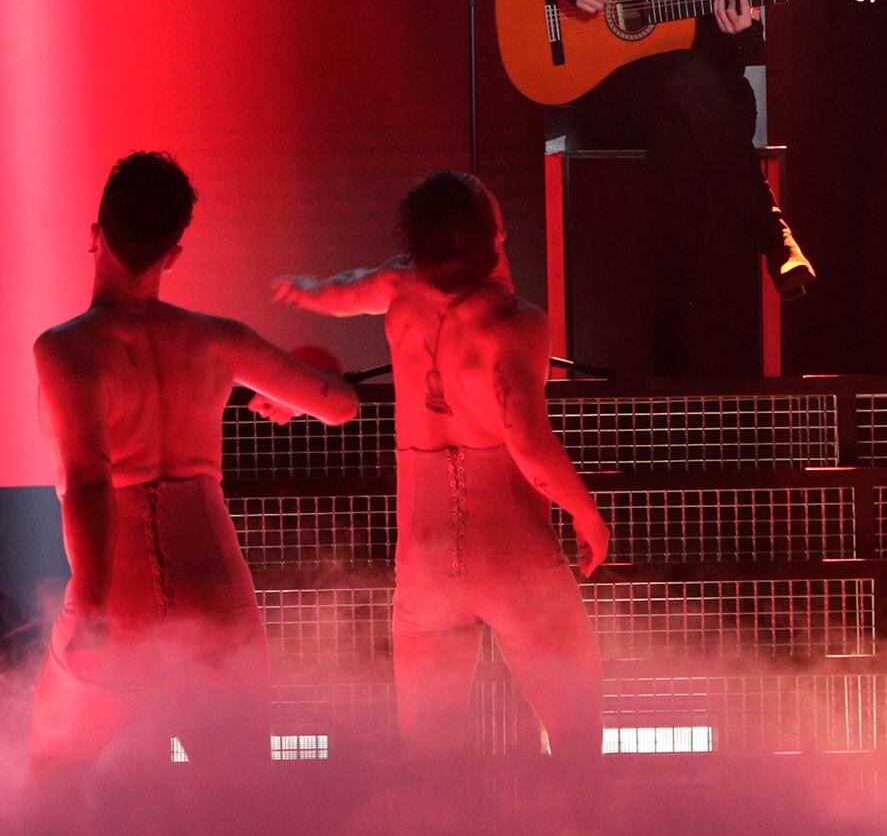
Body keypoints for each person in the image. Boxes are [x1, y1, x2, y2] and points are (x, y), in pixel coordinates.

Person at [28, 152, 359, 782]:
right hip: (217, 595)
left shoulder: (66, 350)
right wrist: (300, 392)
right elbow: (339, 406)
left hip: (116, 601)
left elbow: (90, 481)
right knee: (238, 796)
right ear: (173, 253)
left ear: (95, 234)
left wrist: (93, 612)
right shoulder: (217, 339)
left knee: (52, 775)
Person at [474, 0, 814, 375]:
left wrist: (739, 32)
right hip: (611, 97)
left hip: (706, 97)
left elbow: (741, 42)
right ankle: (773, 234)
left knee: (689, 103)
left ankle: (668, 362)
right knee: (685, 92)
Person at [271, 170, 611, 763]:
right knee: (578, 730)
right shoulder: (514, 322)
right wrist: (586, 513)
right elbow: (528, 444)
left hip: (425, 558)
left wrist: (307, 288)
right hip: (511, 549)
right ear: (497, 233)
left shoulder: (399, 289)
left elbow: (347, 289)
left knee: (429, 757)